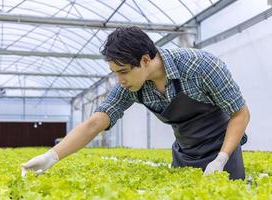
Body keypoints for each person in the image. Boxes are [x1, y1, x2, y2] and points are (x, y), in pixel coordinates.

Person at [22, 27, 250, 180]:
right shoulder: (132, 86)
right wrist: (52, 156)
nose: (119, 80)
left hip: (223, 150)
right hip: (185, 153)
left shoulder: (201, 66)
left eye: (123, 72)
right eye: (114, 73)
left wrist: (221, 158)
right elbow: (95, 123)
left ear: (145, 59)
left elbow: (240, 113)